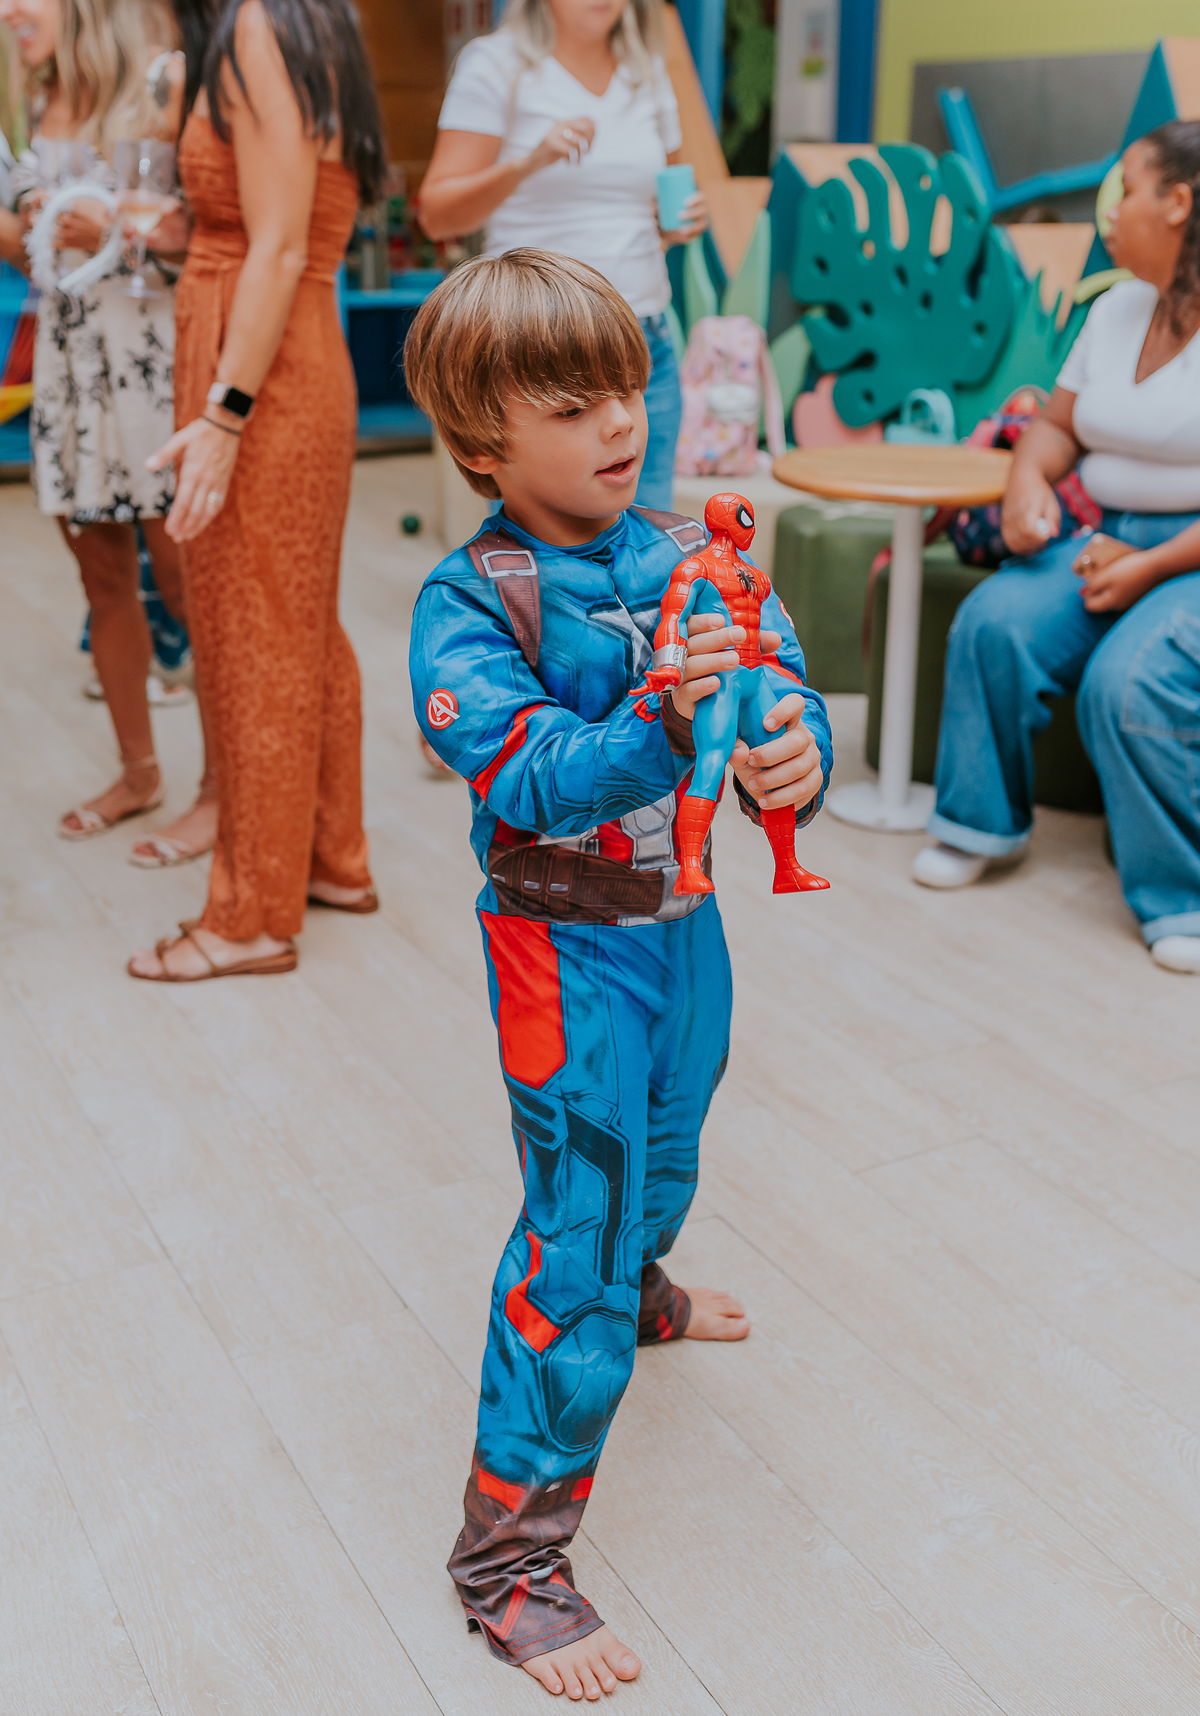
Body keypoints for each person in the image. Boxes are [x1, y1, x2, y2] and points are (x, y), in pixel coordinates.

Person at [406, 249, 833, 1698]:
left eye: (628, 389)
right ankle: (508, 1565)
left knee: (670, 1145)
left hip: (684, 932)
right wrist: (664, 723)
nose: (618, 422)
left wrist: (794, 751)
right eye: (571, 403)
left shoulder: (677, 549)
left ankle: (641, 1286)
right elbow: (528, 774)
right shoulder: (470, 604)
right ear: (481, 444)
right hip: (562, 946)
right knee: (572, 1231)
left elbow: (776, 670)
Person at [128, 0, 383, 983]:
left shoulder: (254, 26)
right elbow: (286, 222)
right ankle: (330, 858)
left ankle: (250, 917)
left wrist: (226, 417)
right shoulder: (294, 18)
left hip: (264, 375)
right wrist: (188, 232)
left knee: (252, 634)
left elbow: (278, 247)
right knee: (297, 622)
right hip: (286, 353)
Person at [913, 121, 1200, 974]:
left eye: (1127, 190)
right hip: (1106, 538)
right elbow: (1055, 427)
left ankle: (1179, 894)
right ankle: (977, 827)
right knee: (993, 622)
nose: (1109, 212)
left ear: (1178, 203)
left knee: (1128, 681)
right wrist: (1026, 482)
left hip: (1185, 559)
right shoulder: (1115, 309)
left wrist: (1148, 567)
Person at [0, 0, 213, 855]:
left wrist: (116, 231)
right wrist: (34, 227)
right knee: (102, 579)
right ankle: (138, 772)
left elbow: (212, 241)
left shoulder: (163, 84)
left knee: (187, 585)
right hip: (69, 373)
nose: (4, 9)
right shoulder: (30, 98)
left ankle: (224, 788)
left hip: (152, 374)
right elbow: (29, 254)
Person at [419, 0, 706, 513]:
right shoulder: (496, 65)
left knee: (649, 542)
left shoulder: (647, 70)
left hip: (642, 343)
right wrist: (527, 163)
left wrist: (676, 224)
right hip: (537, 350)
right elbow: (438, 214)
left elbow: (660, 205)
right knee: (543, 547)